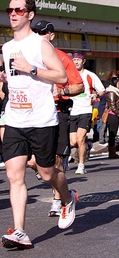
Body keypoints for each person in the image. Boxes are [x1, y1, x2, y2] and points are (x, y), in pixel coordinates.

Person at [0, 0, 78, 249]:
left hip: (42, 120)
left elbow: (61, 75)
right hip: (15, 118)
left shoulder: (41, 45)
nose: (13, 13)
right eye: (10, 9)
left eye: (19, 10)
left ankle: (67, 198)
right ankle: (20, 231)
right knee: (14, 175)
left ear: (30, 15)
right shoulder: (6, 47)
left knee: (46, 173)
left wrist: (31, 68)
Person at [27, 20, 84, 217]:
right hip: (32, 114)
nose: (39, 35)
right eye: (35, 32)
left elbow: (79, 87)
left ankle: (58, 199)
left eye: (43, 33)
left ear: (51, 35)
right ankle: (61, 187)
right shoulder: (27, 56)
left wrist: (61, 90)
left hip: (59, 111)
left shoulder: (61, 58)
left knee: (57, 158)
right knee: (30, 161)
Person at [70, 51, 105, 174]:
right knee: (73, 142)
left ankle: (81, 165)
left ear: (83, 61)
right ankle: (88, 145)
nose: (76, 62)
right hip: (72, 111)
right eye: (74, 60)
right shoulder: (68, 75)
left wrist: (95, 94)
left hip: (85, 110)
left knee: (80, 139)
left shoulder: (90, 75)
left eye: (78, 60)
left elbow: (102, 91)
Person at [104, 70, 119, 159]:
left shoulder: (115, 92)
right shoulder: (112, 92)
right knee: (112, 134)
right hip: (112, 115)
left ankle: (113, 152)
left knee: (113, 134)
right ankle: (112, 153)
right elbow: (112, 105)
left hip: (114, 115)